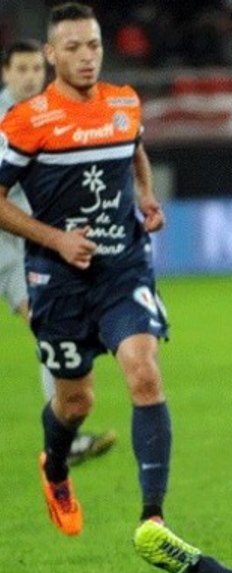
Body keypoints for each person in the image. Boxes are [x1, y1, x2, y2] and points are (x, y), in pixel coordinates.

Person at [0, 3, 171, 536]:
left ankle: (154, 517)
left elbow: (135, 148)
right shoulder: (27, 122)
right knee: (76, 400)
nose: (86, 56)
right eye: (72, 47)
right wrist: (56, 239)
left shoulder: (124, 103)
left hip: (122, 268)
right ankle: (54, 465)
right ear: (52, 54)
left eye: (93, 45)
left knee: (143, 372)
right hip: (59, 280)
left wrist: (144, 196)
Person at [1, 38, 117, 467]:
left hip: (35, 240)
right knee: (48, 325)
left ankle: (65, 437)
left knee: (49, 327)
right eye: (22, 69)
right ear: (6, 74)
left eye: (36, 69)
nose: (31, 77)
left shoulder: (49, 113)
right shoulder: (6, 122)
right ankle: (65, 438)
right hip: (8, 243)